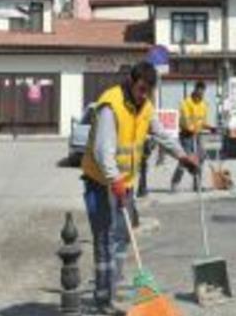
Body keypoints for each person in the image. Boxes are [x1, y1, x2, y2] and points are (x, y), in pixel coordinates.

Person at [80, 62, 199, 315]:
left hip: (125, 184)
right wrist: (115, 180)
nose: (144, 95)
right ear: (131, 82)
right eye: (141, 89)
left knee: (122, 237)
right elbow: (103, 151)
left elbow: (162, 135)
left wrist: (183, 156)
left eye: (149, 91)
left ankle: (113, 286)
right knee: (105, 239)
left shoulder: (145, 106)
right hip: (101, 183)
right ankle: (102, 300)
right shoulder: (110, 105)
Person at [171, 81, 214, 193]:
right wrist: (191, 129)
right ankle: (175, 182)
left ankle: (197, 185)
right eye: (199, 91)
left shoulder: (204, 104)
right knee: (187, 159)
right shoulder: (185, 103)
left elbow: (203, 121)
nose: (201, 94)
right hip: (186, 135)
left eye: (203, 92)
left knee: (201, 157)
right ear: (195, 90)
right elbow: (185, 121)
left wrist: (210, 127)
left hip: (197, 134)